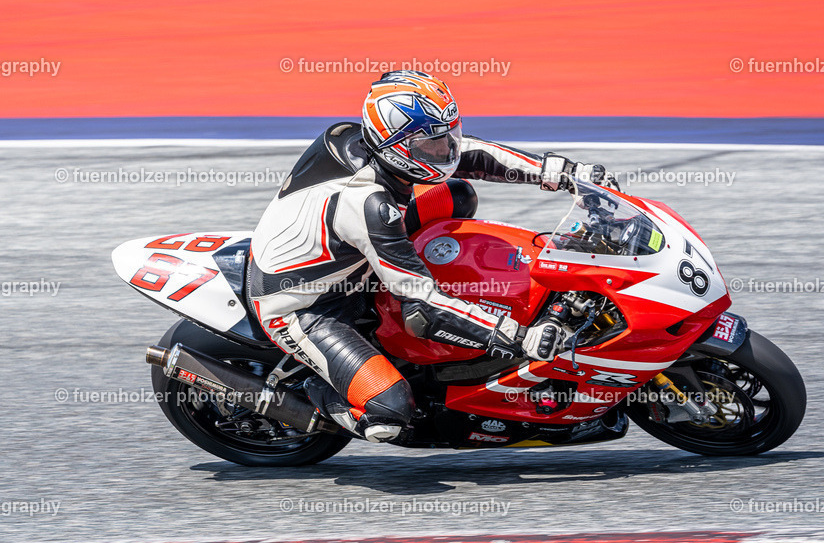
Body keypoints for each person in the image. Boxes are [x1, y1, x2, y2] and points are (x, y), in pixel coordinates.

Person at [247, 70, 614, 442]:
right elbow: (422, 309)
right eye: (432, 144)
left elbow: (473, 155)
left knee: (457, 192)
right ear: (396, 147)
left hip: (342, 256)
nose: (447, 150)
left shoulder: (358, 138)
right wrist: (518, 338)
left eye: (447, 136)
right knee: (390, 413)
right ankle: (317, 392)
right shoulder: (368, 204)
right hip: (305, 304)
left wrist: (569, 174)